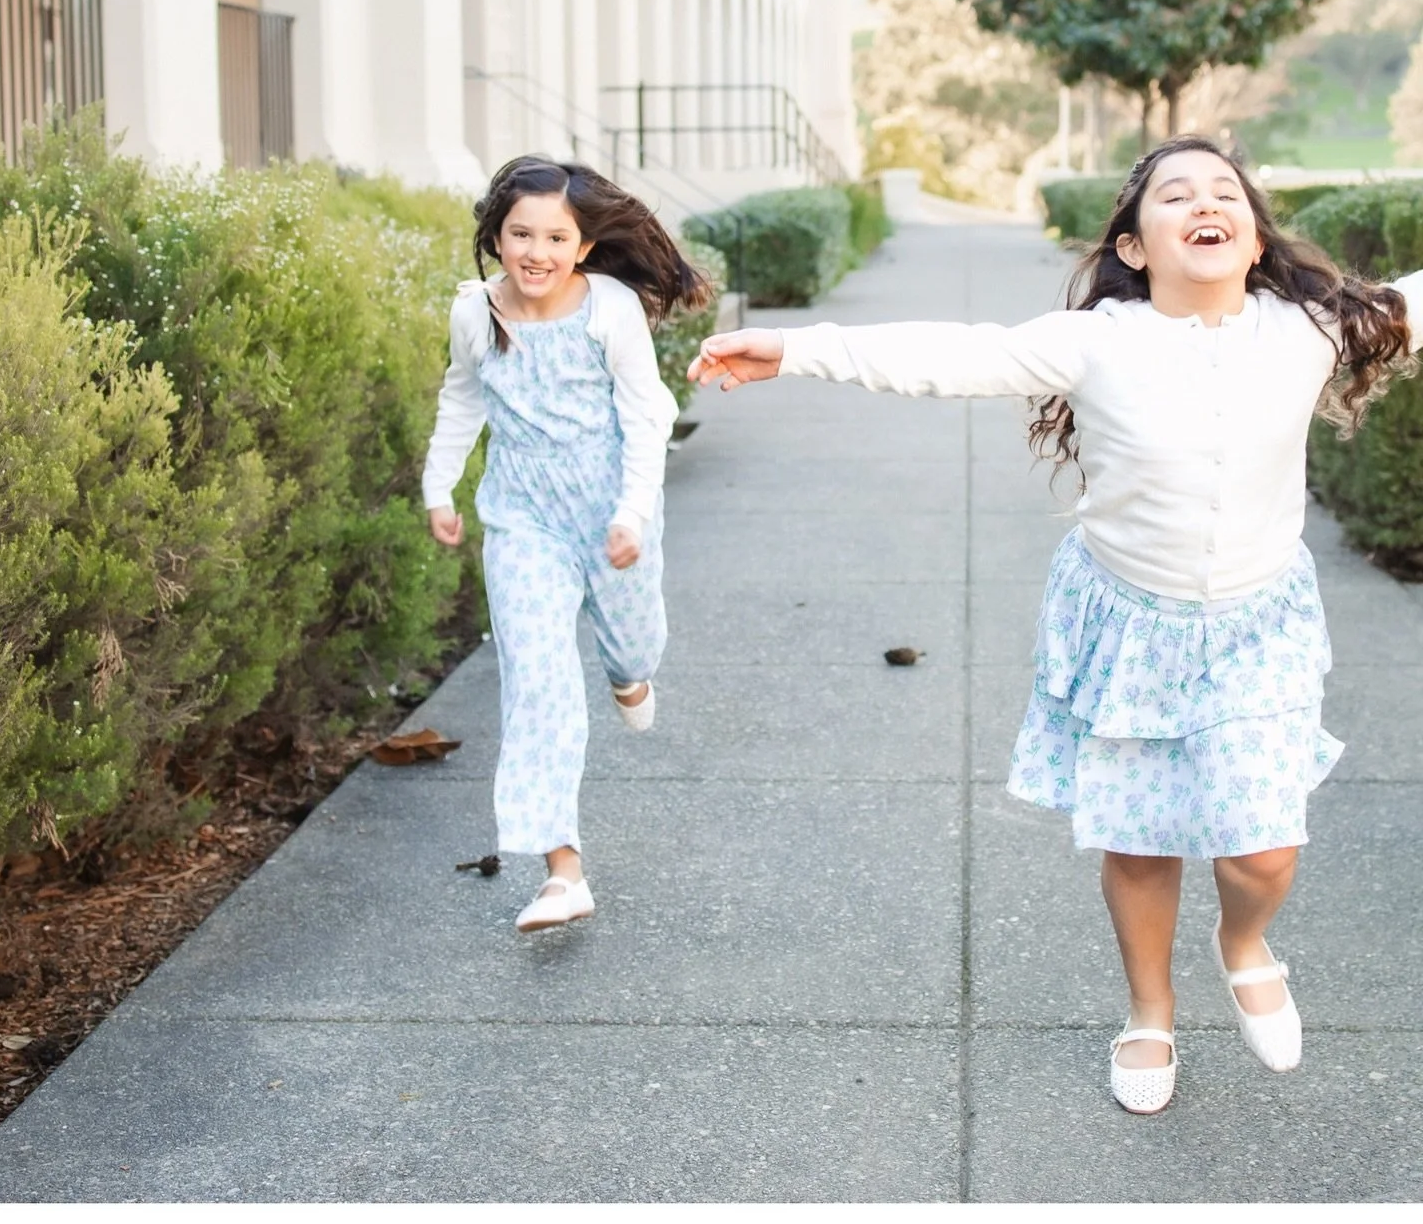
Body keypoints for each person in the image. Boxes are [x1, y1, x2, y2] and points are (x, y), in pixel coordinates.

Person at [689, 136, 1421, 1113]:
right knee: (1141, 838)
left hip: (1258, 623)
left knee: (1262, 850)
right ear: (1132, 245)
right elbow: (951, 355)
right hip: (1127, 621)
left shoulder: (1309, 330)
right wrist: (796, 347)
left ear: (1252, 241)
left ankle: (1242, 940)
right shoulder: (1097, 343)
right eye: (1175, 195)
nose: (1205, 203)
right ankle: (1149, 1012)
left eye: (1225, 194)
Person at [424, 155, 711, 934]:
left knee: (632, 646)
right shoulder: (475, 312)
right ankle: (562, 870)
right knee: (539, 681)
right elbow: (461, 396)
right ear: (495, 235)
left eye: (556, 236)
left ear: (583, 247)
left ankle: (630, 678)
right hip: (522, 521)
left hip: (611, 512)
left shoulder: (608, 307)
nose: (536, 251)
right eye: (521, 233)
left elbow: (648, 412)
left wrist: (632, 514)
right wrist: (437, 487)